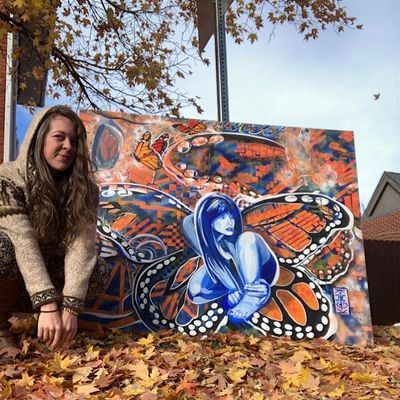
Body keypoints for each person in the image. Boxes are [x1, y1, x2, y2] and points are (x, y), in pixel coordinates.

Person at [0, 105, 108, 349]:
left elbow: (81, 246)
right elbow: (23, 241)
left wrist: (70, 308)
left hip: (48, 272)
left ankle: (52, 328)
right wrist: (48, 304)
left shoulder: (85, 190)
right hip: (18, 273)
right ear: (39, 139)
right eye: (59, 137)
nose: (68, 146)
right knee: (2, 247)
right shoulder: (7, 178)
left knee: (97, 270)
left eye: (74, 141)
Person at [182, 192, 279, 322]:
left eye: (231, 217)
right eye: (222, 218)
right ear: (208, 222)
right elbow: (188, 224)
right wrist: (231, 295)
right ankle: (243, 292)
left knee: (247, 238)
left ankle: (253, 295)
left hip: (263, 267)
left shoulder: (239, 240)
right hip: (234, 279)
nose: (229, 222)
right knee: (195, 289)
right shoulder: (211, 251)